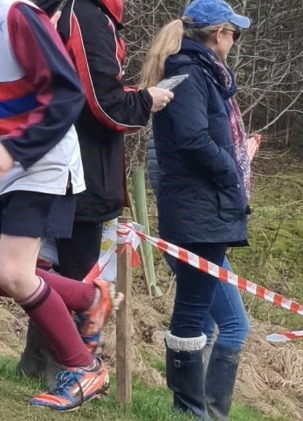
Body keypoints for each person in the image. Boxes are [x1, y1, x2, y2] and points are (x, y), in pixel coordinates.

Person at [19, 0, 175, 380]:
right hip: (79, 167)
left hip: (59, 161)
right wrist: (145, 100)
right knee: (77, 272)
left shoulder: (74, 11)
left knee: (44, 266)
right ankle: (69, 369)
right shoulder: (86, 15)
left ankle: (36, 363)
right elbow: (105, 104)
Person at [0, 0, 121, 410]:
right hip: (7, 156)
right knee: (6, 273)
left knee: (12, 273)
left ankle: (85, 368)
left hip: (41, 158)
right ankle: (88, 299)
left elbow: (68, 93)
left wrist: (14, 150)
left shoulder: (15, 14)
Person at [140, 0, 253, 418]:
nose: (234, 41)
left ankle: (195, 409)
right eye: (233, 33)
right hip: (197, 214)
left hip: (204, 211)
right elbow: (192, 140)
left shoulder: (201, 73)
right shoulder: (190, 74)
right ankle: (191, 410)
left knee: (204, 317)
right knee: (194, 314)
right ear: (219, 34)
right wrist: (230, 169)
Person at [146, 130, 253, 369]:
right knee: (235, 325)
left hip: (193, 230)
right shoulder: (187, 126)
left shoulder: (181, 127)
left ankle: (192, 391)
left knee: (201, 325)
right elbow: (190, 175)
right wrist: (234, 167)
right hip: (196, 234)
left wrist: (239, 159)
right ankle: (207, 395)